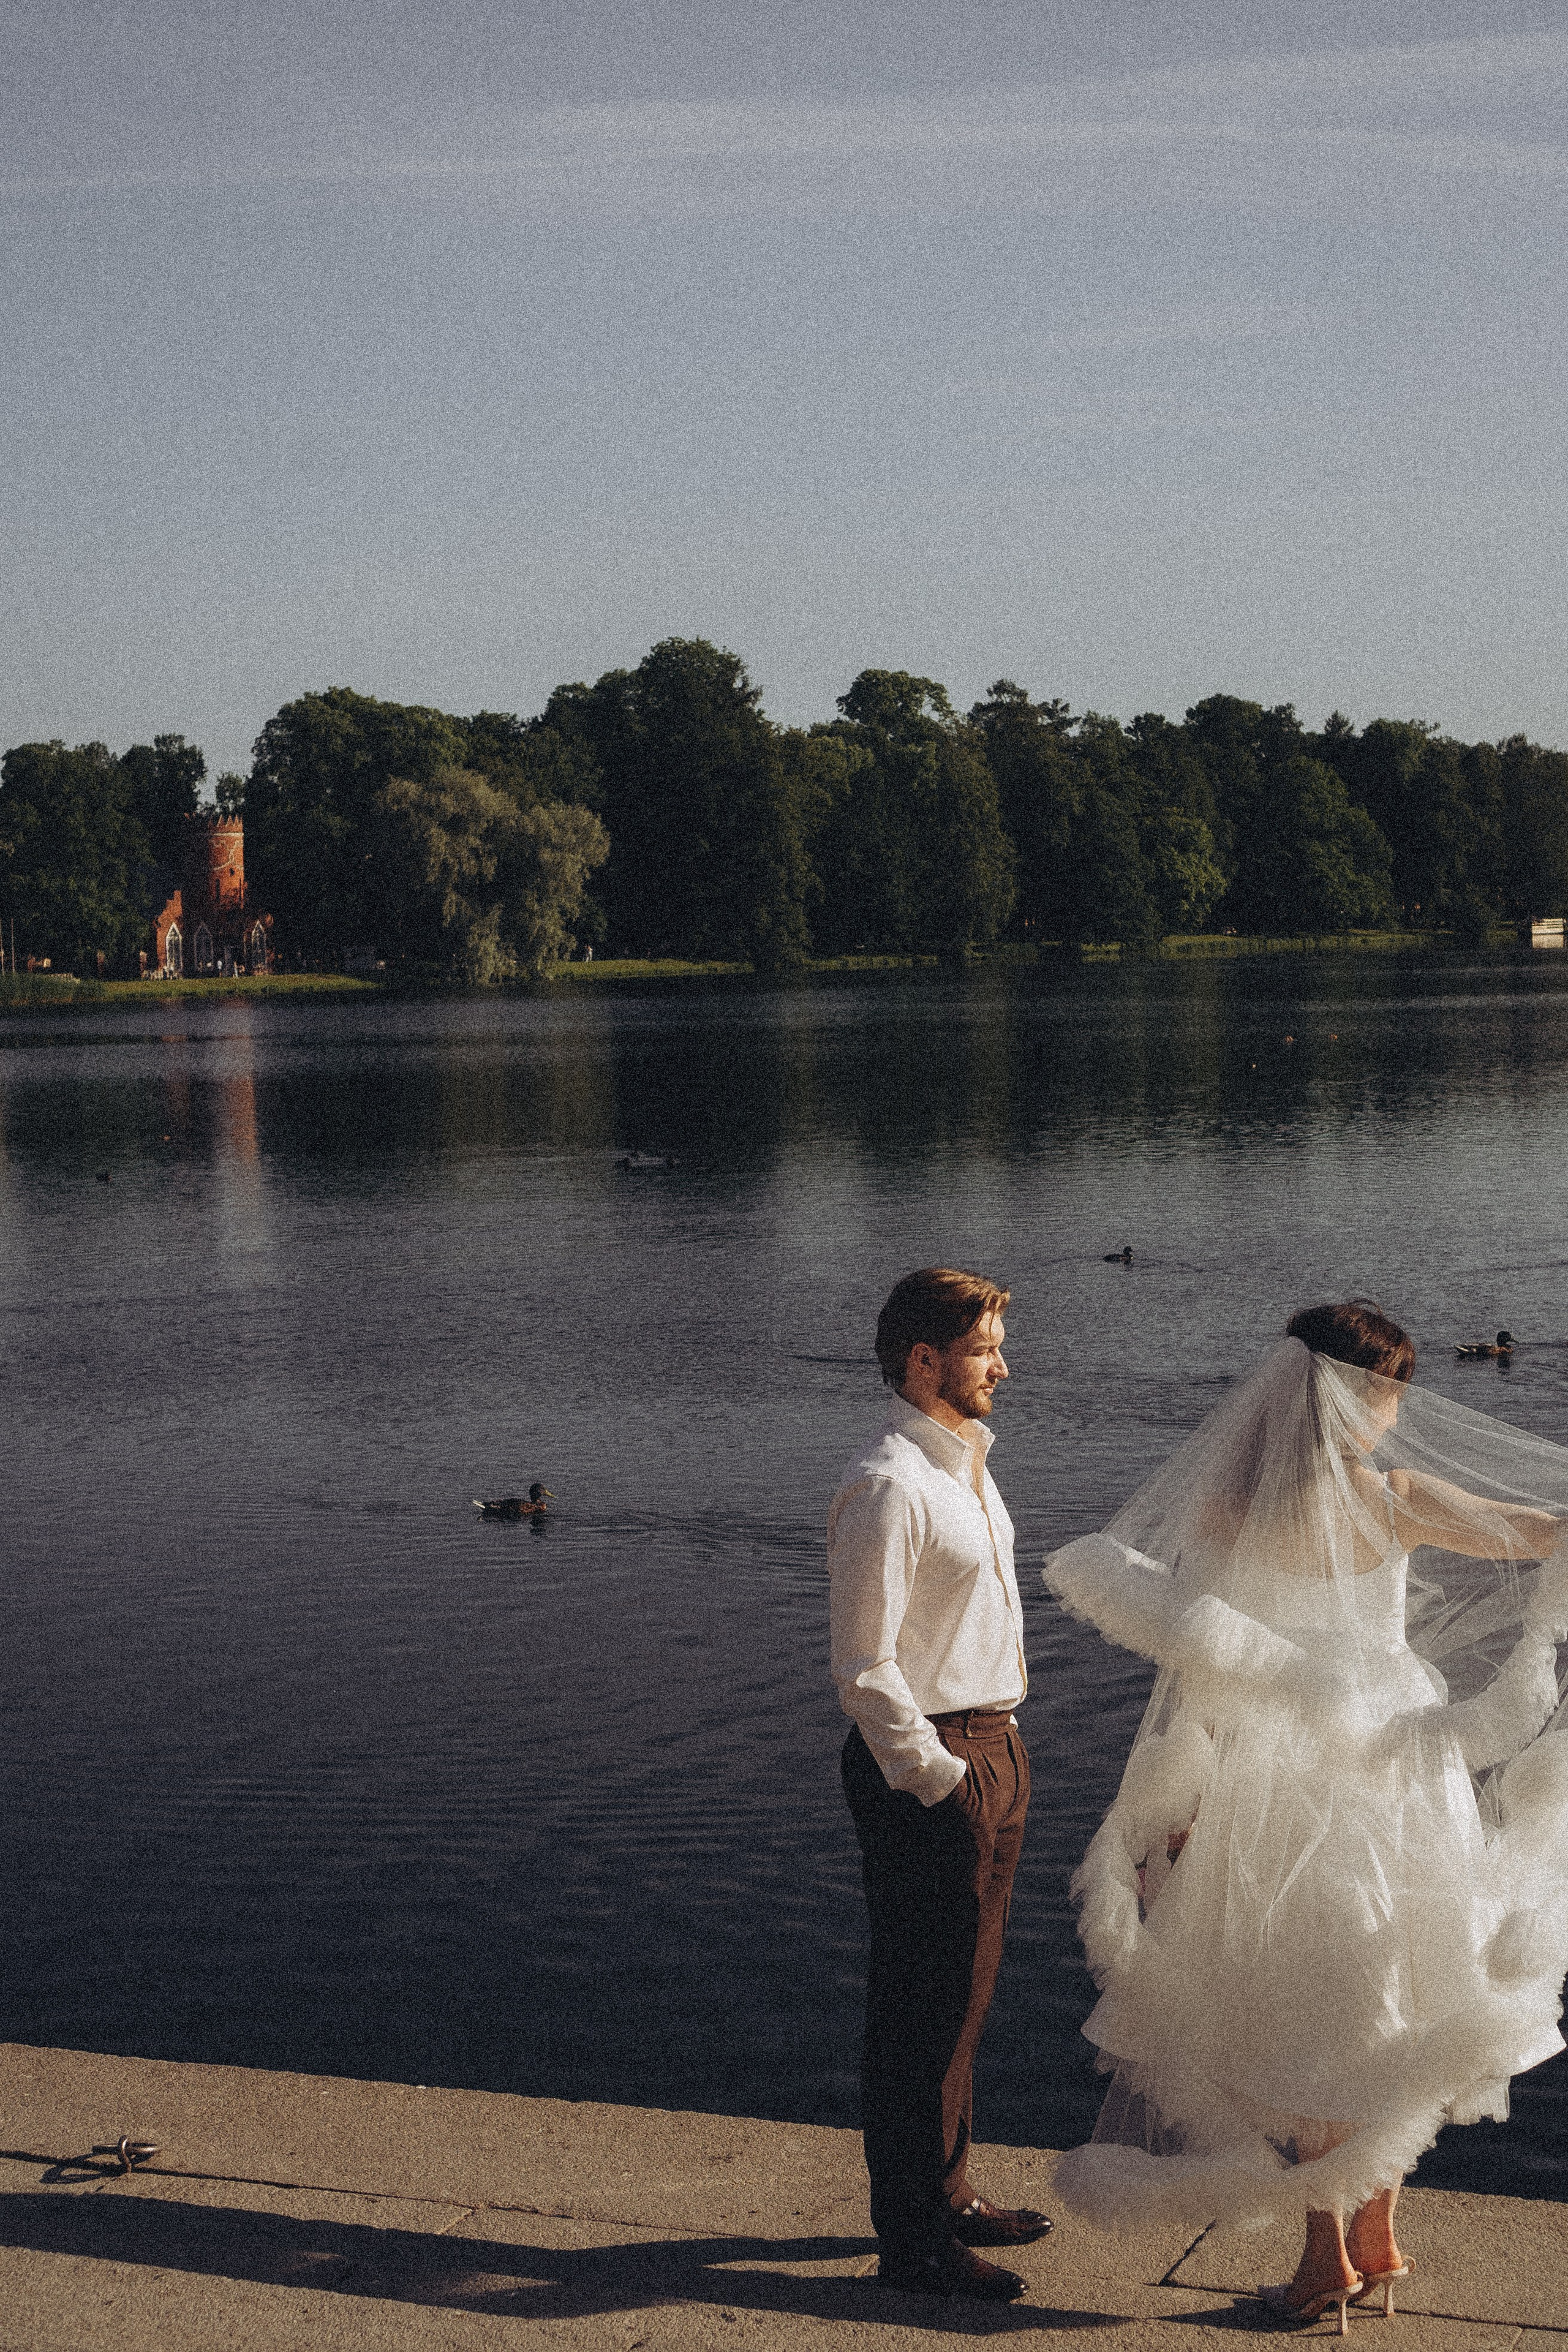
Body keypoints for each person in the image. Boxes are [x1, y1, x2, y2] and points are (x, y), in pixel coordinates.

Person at [1042, 1300, 1568, 2330]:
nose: (1397, 1411)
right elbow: (1547, 1533)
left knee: (1289, 2012)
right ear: (1358, 1399)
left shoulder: (1221, 1514)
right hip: (1397, 1772)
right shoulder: (1395, 1499)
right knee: (1395, 1992)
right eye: (1392, 1392)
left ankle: (1334, 2256)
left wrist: (1180, 1808)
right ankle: (1368, 2240)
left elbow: (1201, 1671)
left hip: (1269, 1779)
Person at [829, 1267, 1050, 2302]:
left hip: (993, 1744)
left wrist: (993, 1760)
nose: (1003, 1367)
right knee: (919, 2007)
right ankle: (912, 2241)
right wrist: (941, 1781)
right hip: (930, 1764)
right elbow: (864, 1668)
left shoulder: (966, 1467)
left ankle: (948, 2194)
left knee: (967, 1994)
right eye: (984, 1350)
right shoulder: (889, 1485)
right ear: (925, 1361)